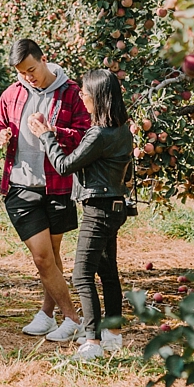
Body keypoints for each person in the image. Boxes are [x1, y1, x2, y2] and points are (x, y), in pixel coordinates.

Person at [0, 38, 90, 342]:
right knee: (43, 258)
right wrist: (1, 135)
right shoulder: (13, 93)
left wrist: (53, 131)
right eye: (21, 73)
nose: (27, 77)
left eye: (31, 70)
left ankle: (47, 314)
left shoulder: (70, 93)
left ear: (44, 59)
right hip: (21, 186)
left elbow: (86, 135)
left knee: (53, 254)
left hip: (57, 185)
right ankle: (73, 318)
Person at [28, 69, 133, 360]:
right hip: (114, 207)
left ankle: (92, 341)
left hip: (97, 210)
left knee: (82, 274)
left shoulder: (99, 134)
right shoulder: (122, 130)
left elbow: (64, 166)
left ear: (97, 97)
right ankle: (112, 335)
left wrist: (46, 136)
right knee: (108, 273)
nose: (81, 96)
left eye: (85, 92)